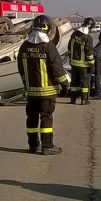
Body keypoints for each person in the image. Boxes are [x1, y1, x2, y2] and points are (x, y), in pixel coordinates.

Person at [18, 15, 69, 155]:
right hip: (47, 92)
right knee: (46, 118)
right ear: (47, 28)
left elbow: (21, 69)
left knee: (32, 119)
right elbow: (57, 68)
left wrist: (25, 83)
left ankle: (33, 145)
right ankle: (47, 146)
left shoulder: (24, 46)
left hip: (31, 93)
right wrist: (65, 85)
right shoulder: (48, 47)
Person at [68, 18, 95, 105]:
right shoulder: (88, 38)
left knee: (74, 82)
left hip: (74, 64)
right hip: (83, 65)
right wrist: (91, 64)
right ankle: (84, 100)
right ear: (89, 26)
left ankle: (73, 99)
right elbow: (89, 53)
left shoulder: (74, 34)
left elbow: (69, 47)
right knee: (84, 83)